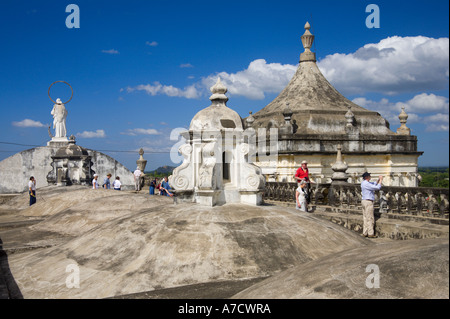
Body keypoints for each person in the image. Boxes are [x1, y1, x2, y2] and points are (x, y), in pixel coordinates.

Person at [361, 172, 383, 238]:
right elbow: (377, 188)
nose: (370, 177)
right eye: (369, 176)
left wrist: (378, 181)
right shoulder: (366, 184)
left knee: (365, 217)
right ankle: (370, 233)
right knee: (370, 218)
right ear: (367, 177)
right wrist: (381, 180)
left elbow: (373, 184)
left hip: (364, 201)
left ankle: (365, 232)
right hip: (368, 201)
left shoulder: (363, 183)